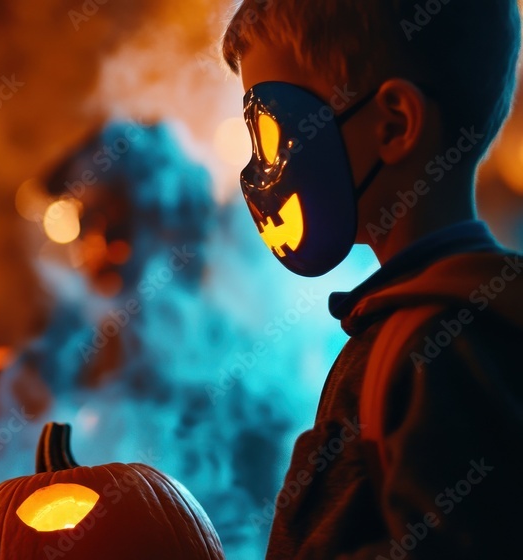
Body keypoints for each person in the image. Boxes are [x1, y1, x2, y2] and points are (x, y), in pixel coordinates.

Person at [222, 1, 523, 558]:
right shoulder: (453, 324)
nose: (258, 171)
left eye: (270, 135)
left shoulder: (434, 352)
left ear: (394, 124)